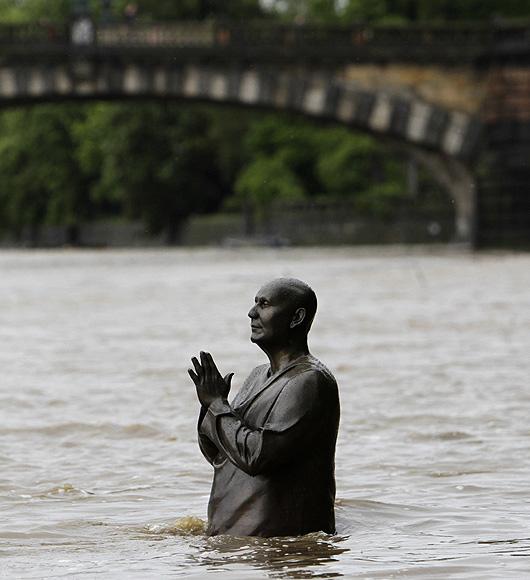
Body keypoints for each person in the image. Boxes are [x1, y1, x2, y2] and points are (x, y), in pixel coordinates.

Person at [188, 278, 340, 537]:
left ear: (296, 318)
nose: (252, 312)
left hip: (282, 549)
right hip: (238, 547)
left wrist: (217, 405)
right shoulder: (258, 376)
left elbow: (257, 456)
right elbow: (219, 454)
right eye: (254, 303)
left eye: (264, 304)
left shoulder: (309, 381)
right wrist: (209, 406)